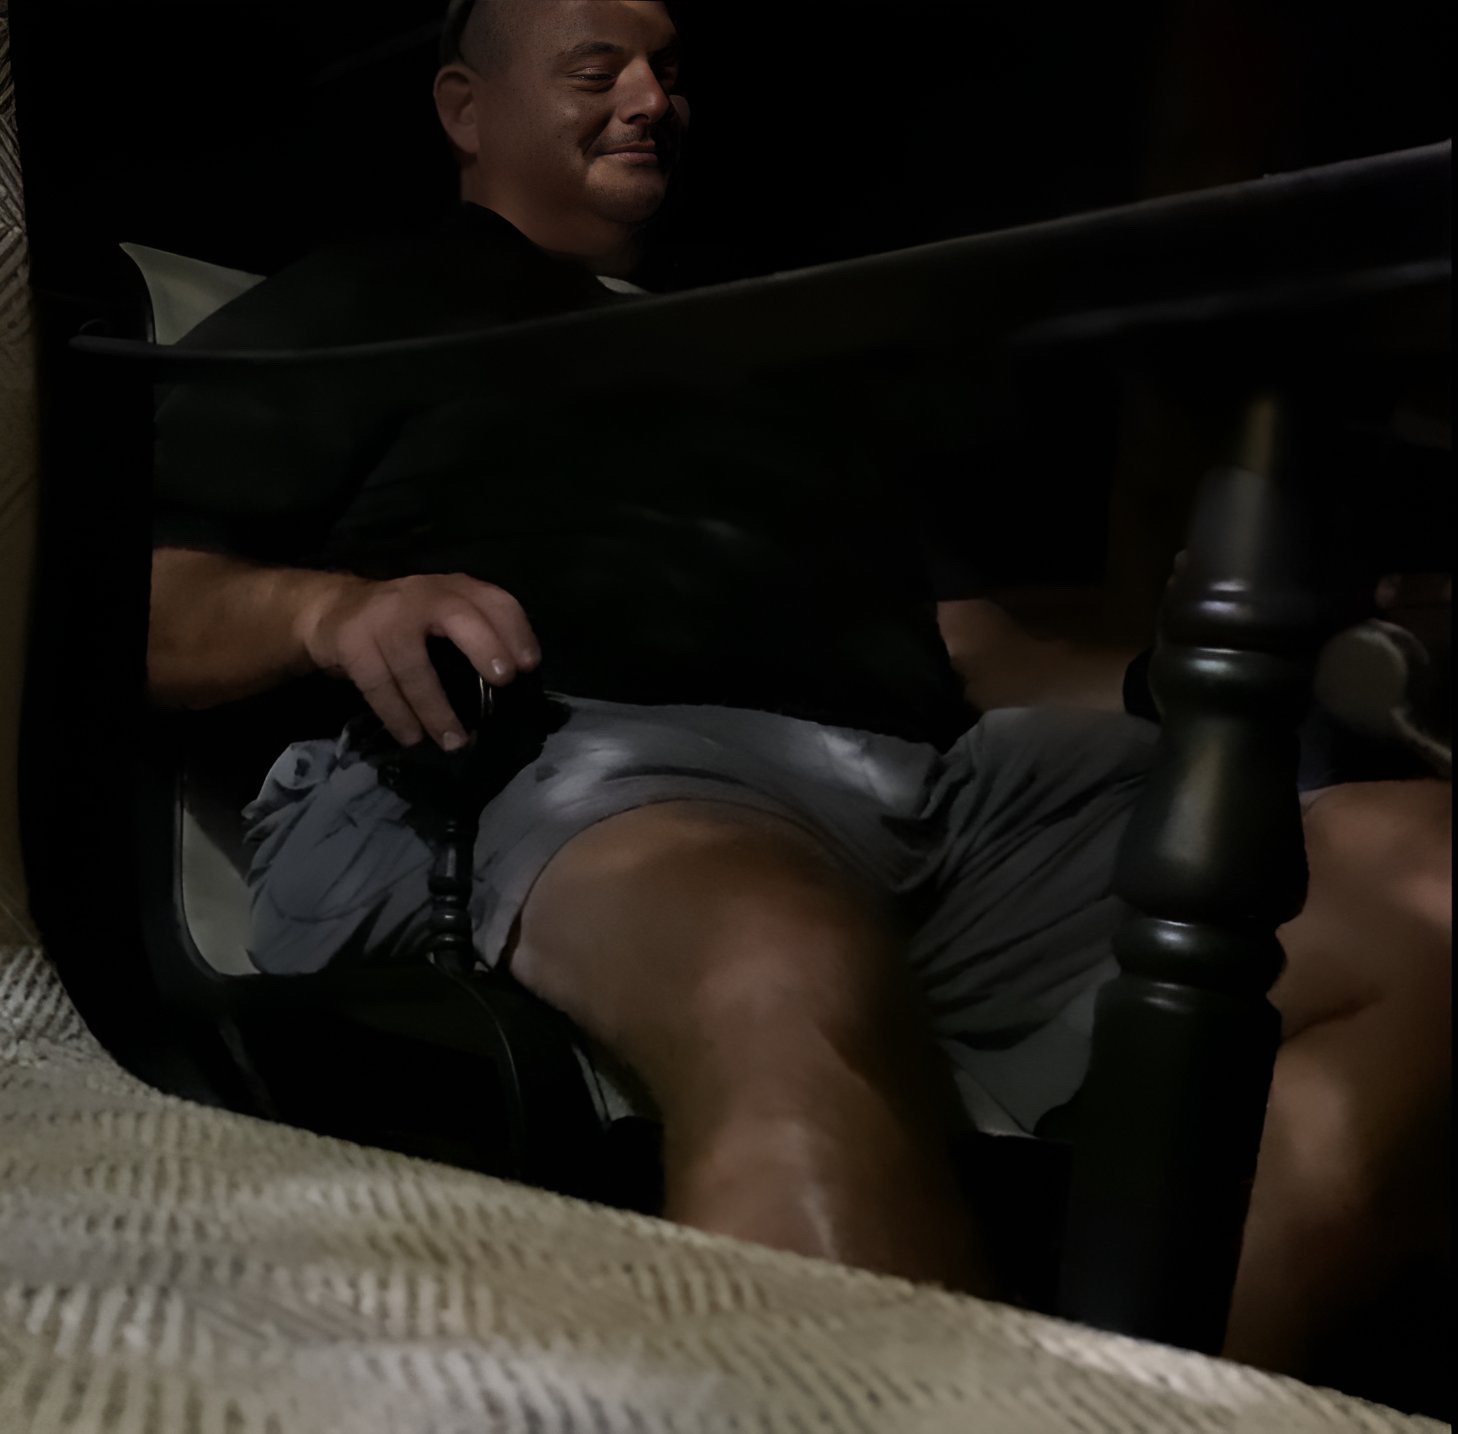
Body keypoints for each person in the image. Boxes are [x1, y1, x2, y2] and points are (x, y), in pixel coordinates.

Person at [147, 0, 1450, 1375]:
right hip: (565, 757)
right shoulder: (376, 299)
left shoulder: (781, 348)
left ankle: (1104, 1399)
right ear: (466, 109)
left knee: (1429, 871)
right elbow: (129, 597)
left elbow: (973, 650)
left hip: (936, 795)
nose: (649, 98)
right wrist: (327, 609)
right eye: (596, 69)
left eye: (666, 70)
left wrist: (1185, 666)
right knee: (776, 956)